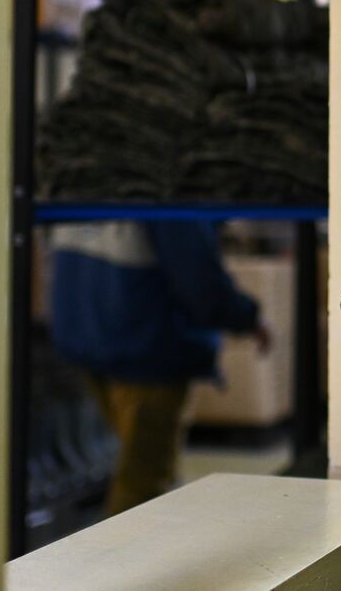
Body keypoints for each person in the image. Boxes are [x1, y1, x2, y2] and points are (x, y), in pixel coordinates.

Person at [49, 219, 271, 515]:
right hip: (147, 347)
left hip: (87, 338)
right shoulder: (173, 198)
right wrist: (246, 316)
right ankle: (125, 546)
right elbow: (199, 282)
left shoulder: (87, 189)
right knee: (143, 489)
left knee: (132, 472)